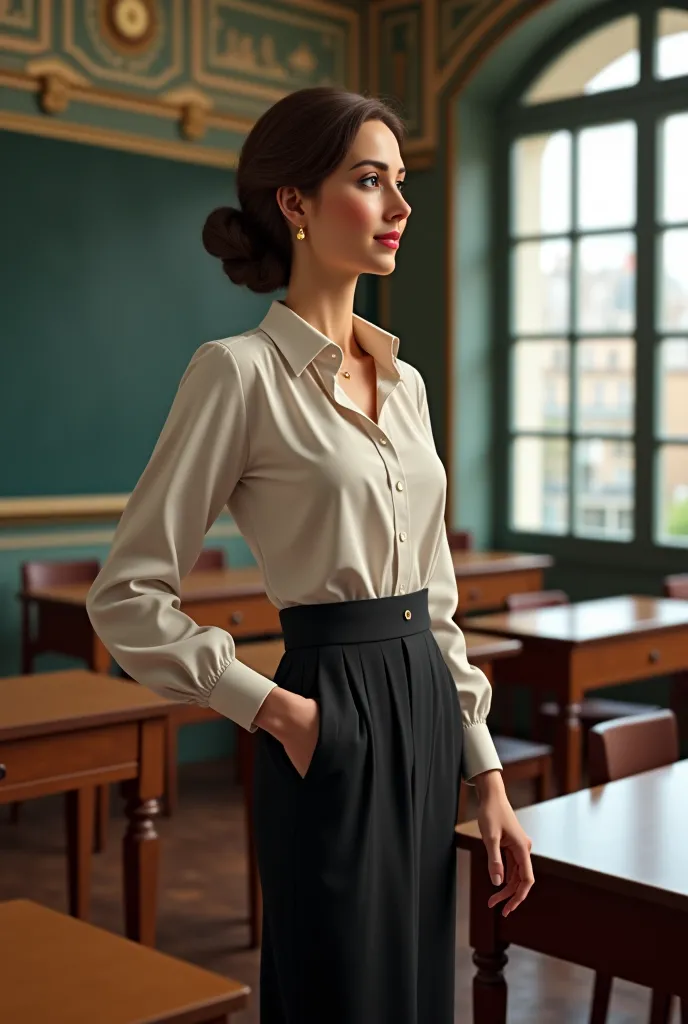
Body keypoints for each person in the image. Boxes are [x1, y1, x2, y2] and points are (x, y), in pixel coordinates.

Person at [86, 85, 534, 1024]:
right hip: (326, 714)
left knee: (416, 989)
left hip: (423, 706)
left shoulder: (404, 383)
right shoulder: (237, 373)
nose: (401, 208)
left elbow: (436, 599)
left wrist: (485, 772)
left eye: (400, 183)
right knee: (342, 993)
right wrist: (274, 711)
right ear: (294, 202)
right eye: (370, 182)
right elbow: (127, 595)